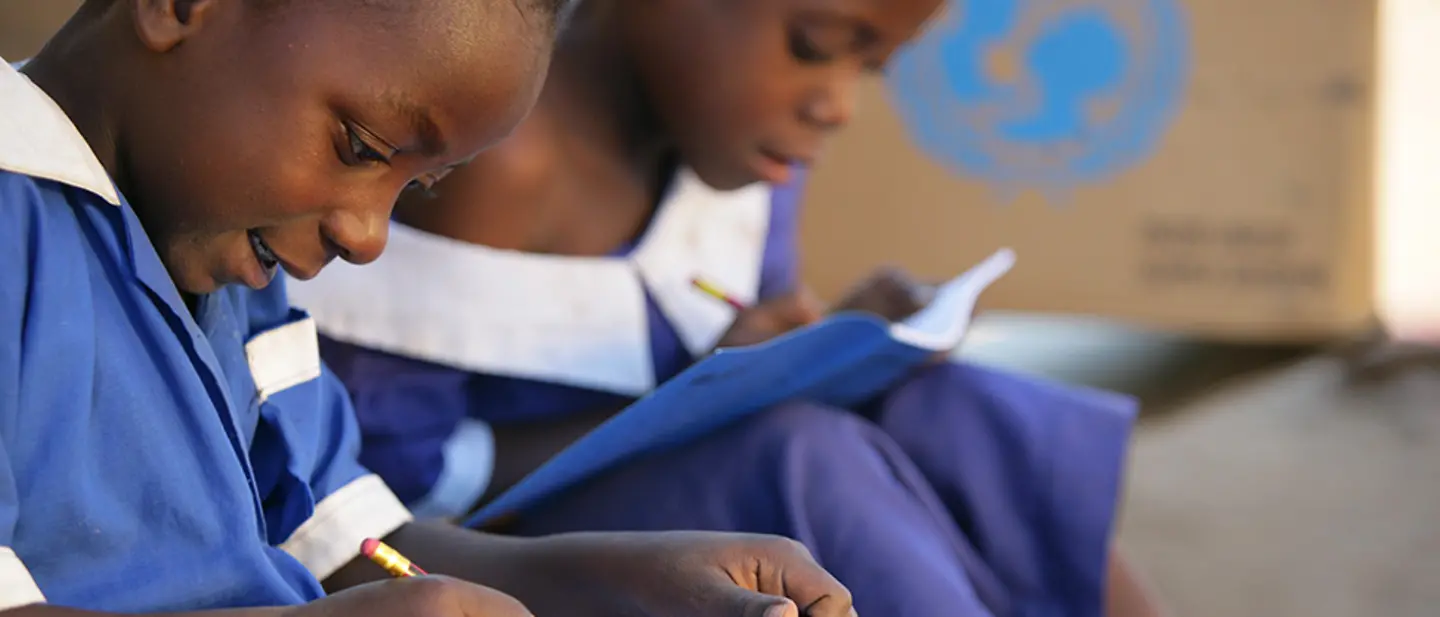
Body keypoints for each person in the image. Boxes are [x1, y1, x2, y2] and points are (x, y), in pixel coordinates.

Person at [292, 0, 1169, 615]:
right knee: (800, 453)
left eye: (874, 65)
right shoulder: (490, 160)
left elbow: (753, 315)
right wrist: (702, 396)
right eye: (817, 42)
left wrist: (825, 340)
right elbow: (384, 490)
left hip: (686, 476)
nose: (837, 102)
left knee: (946, 403)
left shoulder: (737, 148)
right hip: (509, 543)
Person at [0, 1, 861, 616]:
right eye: (361, 147)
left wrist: (637, 583)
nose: (369, 234)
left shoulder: (236, 278)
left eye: (413, 187)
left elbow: (359, 551)